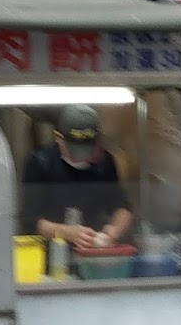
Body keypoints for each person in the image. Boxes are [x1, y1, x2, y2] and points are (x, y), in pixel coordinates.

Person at [22, 104, 134, 247]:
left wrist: (114, 230)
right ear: (59, 138)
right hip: (51, 253)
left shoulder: (104, 162)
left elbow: (122, 207)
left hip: (91, 252)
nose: (83, 158)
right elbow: (31, 221)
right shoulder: (41, 162)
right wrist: (65, 232)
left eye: (89, 150)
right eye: (75, 150)